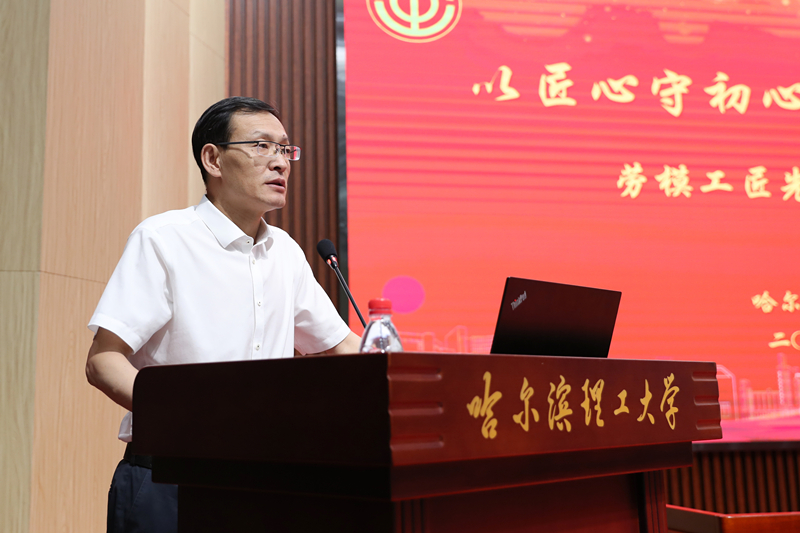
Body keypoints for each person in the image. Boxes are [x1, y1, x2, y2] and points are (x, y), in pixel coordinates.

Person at [85, 96, 361, 533]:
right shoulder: (164, 239)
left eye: (285, 149)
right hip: (172, 476)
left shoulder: (285, 252)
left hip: (263, 479)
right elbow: (103, 361)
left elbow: (341, 347)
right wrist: (193, 417)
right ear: (213, 159)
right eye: (262, 146)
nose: (280, 162)